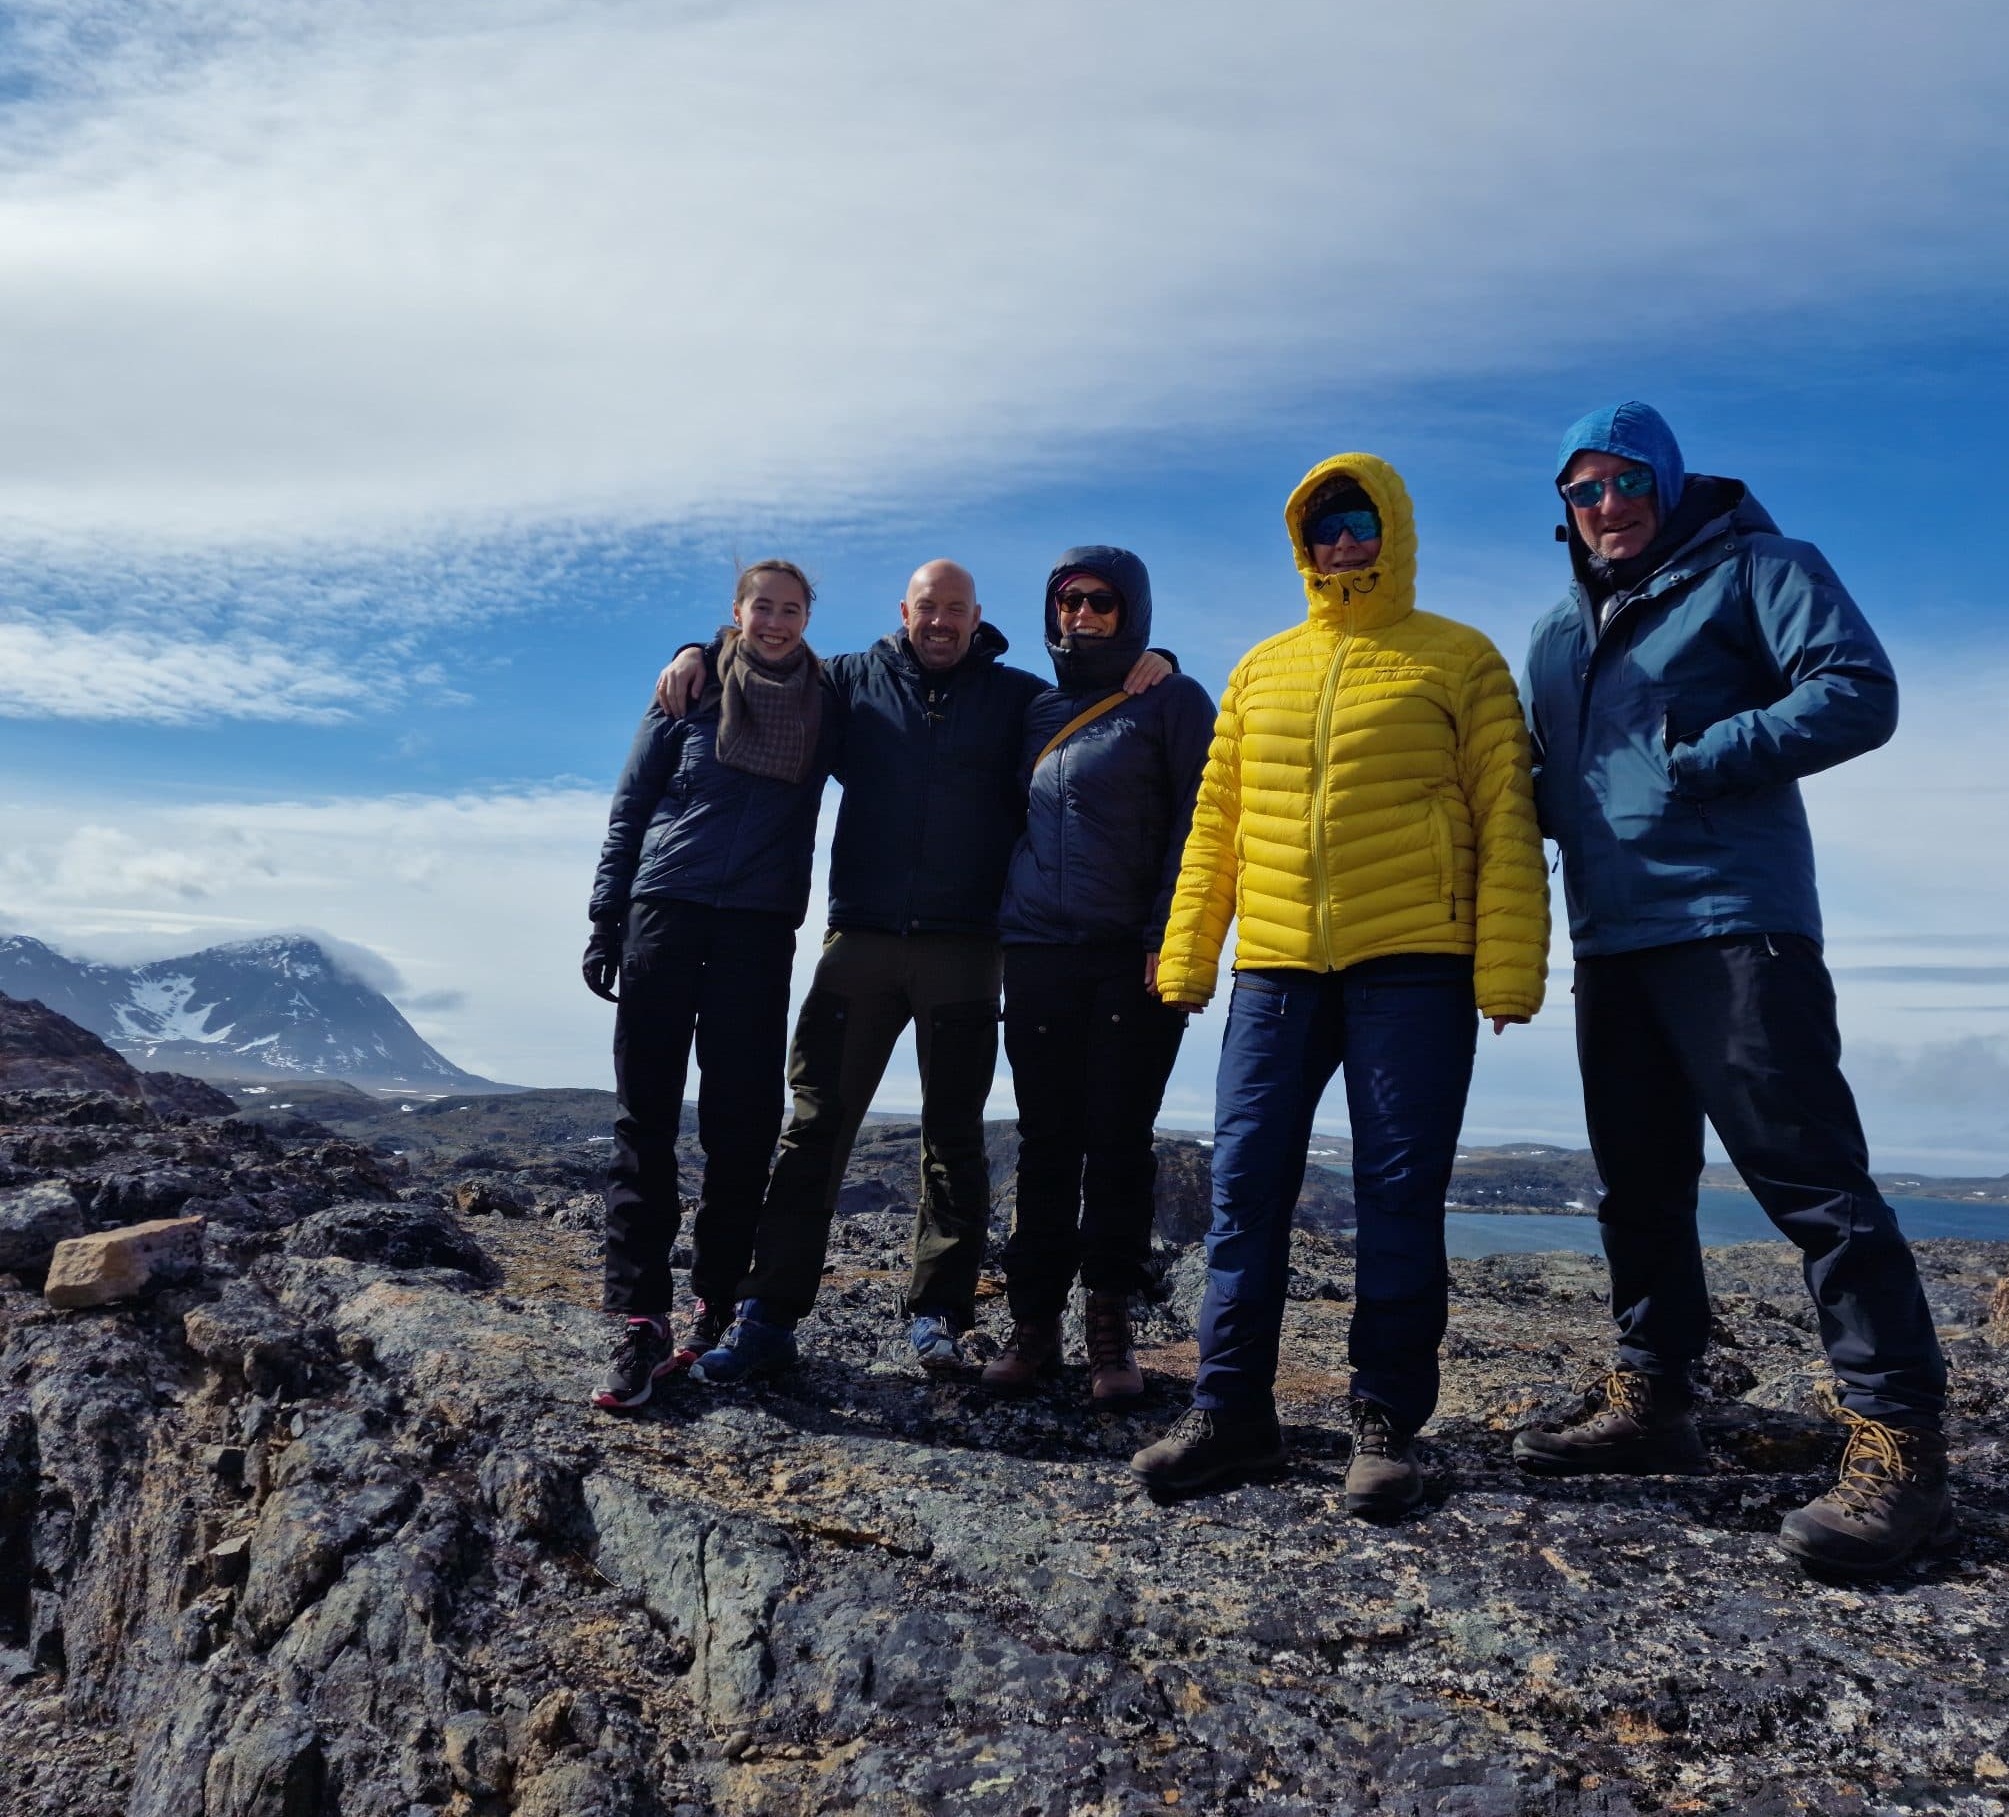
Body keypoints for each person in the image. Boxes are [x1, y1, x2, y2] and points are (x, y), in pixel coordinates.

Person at [1508, 400, 1952, 1577]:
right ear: (1565, 507)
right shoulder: (1552, 635)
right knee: (1638, 1186)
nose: (1607, 506)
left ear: (1666, 482)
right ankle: (1654, 1397)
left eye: (1626, 481)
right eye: (1584, 490)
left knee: (1813, 1185)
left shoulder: (1759, 568)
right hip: (1611, 939)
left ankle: (1900, 1447)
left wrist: (1700, 760)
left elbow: (1856, 687)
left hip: (1734, 924)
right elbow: (1543, 781)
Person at [1132, 455, 1549, 1521]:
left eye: (1360, 520)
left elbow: (1505, 814)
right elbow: (1215, 825)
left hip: (1415, 963)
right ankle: (1230, 1412)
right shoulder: (1262, 669)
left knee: (1398, 1195)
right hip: (1275, 968)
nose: (1344, 541)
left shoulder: (1459, 658)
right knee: (1243, 1189)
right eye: (1325, 528)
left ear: (1392, 529)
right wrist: (1188, 953)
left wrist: (1508, 964)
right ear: (1302, 546)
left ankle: (1385, 1423)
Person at [653, 563, 1170, 1382]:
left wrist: (1160, 659)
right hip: (860, 939)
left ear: (976, 616)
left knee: (954, 1136)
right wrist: (698, 648)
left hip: (966, 947)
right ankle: (768, 1312)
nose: (940, 622)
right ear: (905, 611)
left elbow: (1098, 706)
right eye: (928, 607)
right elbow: (769, 654)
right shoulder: (850, 679)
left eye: (955, 609)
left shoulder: (1015, 697)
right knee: (816, 1127)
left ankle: (939, 1314)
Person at [582, 560, 840, 1411]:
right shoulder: (687, 692)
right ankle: (639, 1317)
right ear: (737, 611)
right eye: (762, 607)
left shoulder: (827, 702)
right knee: (646, 1117)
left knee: (742, 1124)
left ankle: (718, 1302)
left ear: (808, 619)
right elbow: (632, 804)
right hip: (663, 914)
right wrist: (606, 917)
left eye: (791, 610)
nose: (776, 622)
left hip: (758, 930)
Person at [983, 548, 1215, 1405]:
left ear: (1132, 611)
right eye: (1068, 601)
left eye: (1101, 602)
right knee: (1045, 1142)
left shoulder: (1173, 700)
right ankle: (1034, 1322)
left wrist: (1167, 935)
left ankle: (1109, 1325)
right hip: (1038, 951)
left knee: (1119, 1140)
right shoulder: (1034, 708)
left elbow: (1200, 822)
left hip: (1132, 956)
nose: (1081, 615)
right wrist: (700, 652)